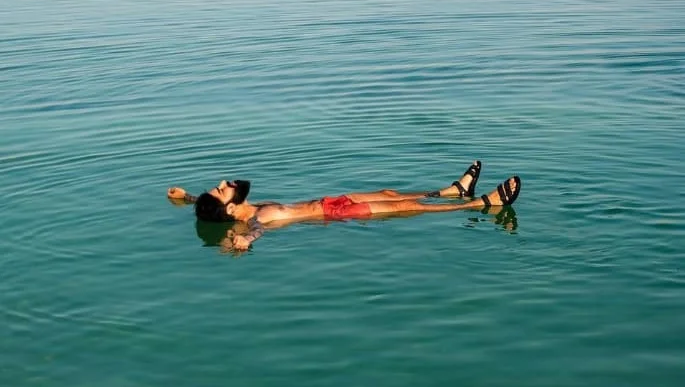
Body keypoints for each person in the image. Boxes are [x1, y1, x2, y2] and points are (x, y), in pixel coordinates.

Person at [167, 161, 521, 251]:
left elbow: (216, 207)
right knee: (405, 209)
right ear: (230, 210)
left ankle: (450, 190)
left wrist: (188, 197)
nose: (227, 183)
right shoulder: (257, 217)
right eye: (222, 189)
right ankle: (479, 203)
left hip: (331, 200)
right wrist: (247, 241)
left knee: (391, 193)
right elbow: (258, 231)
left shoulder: (244, 206)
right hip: (336, 214)